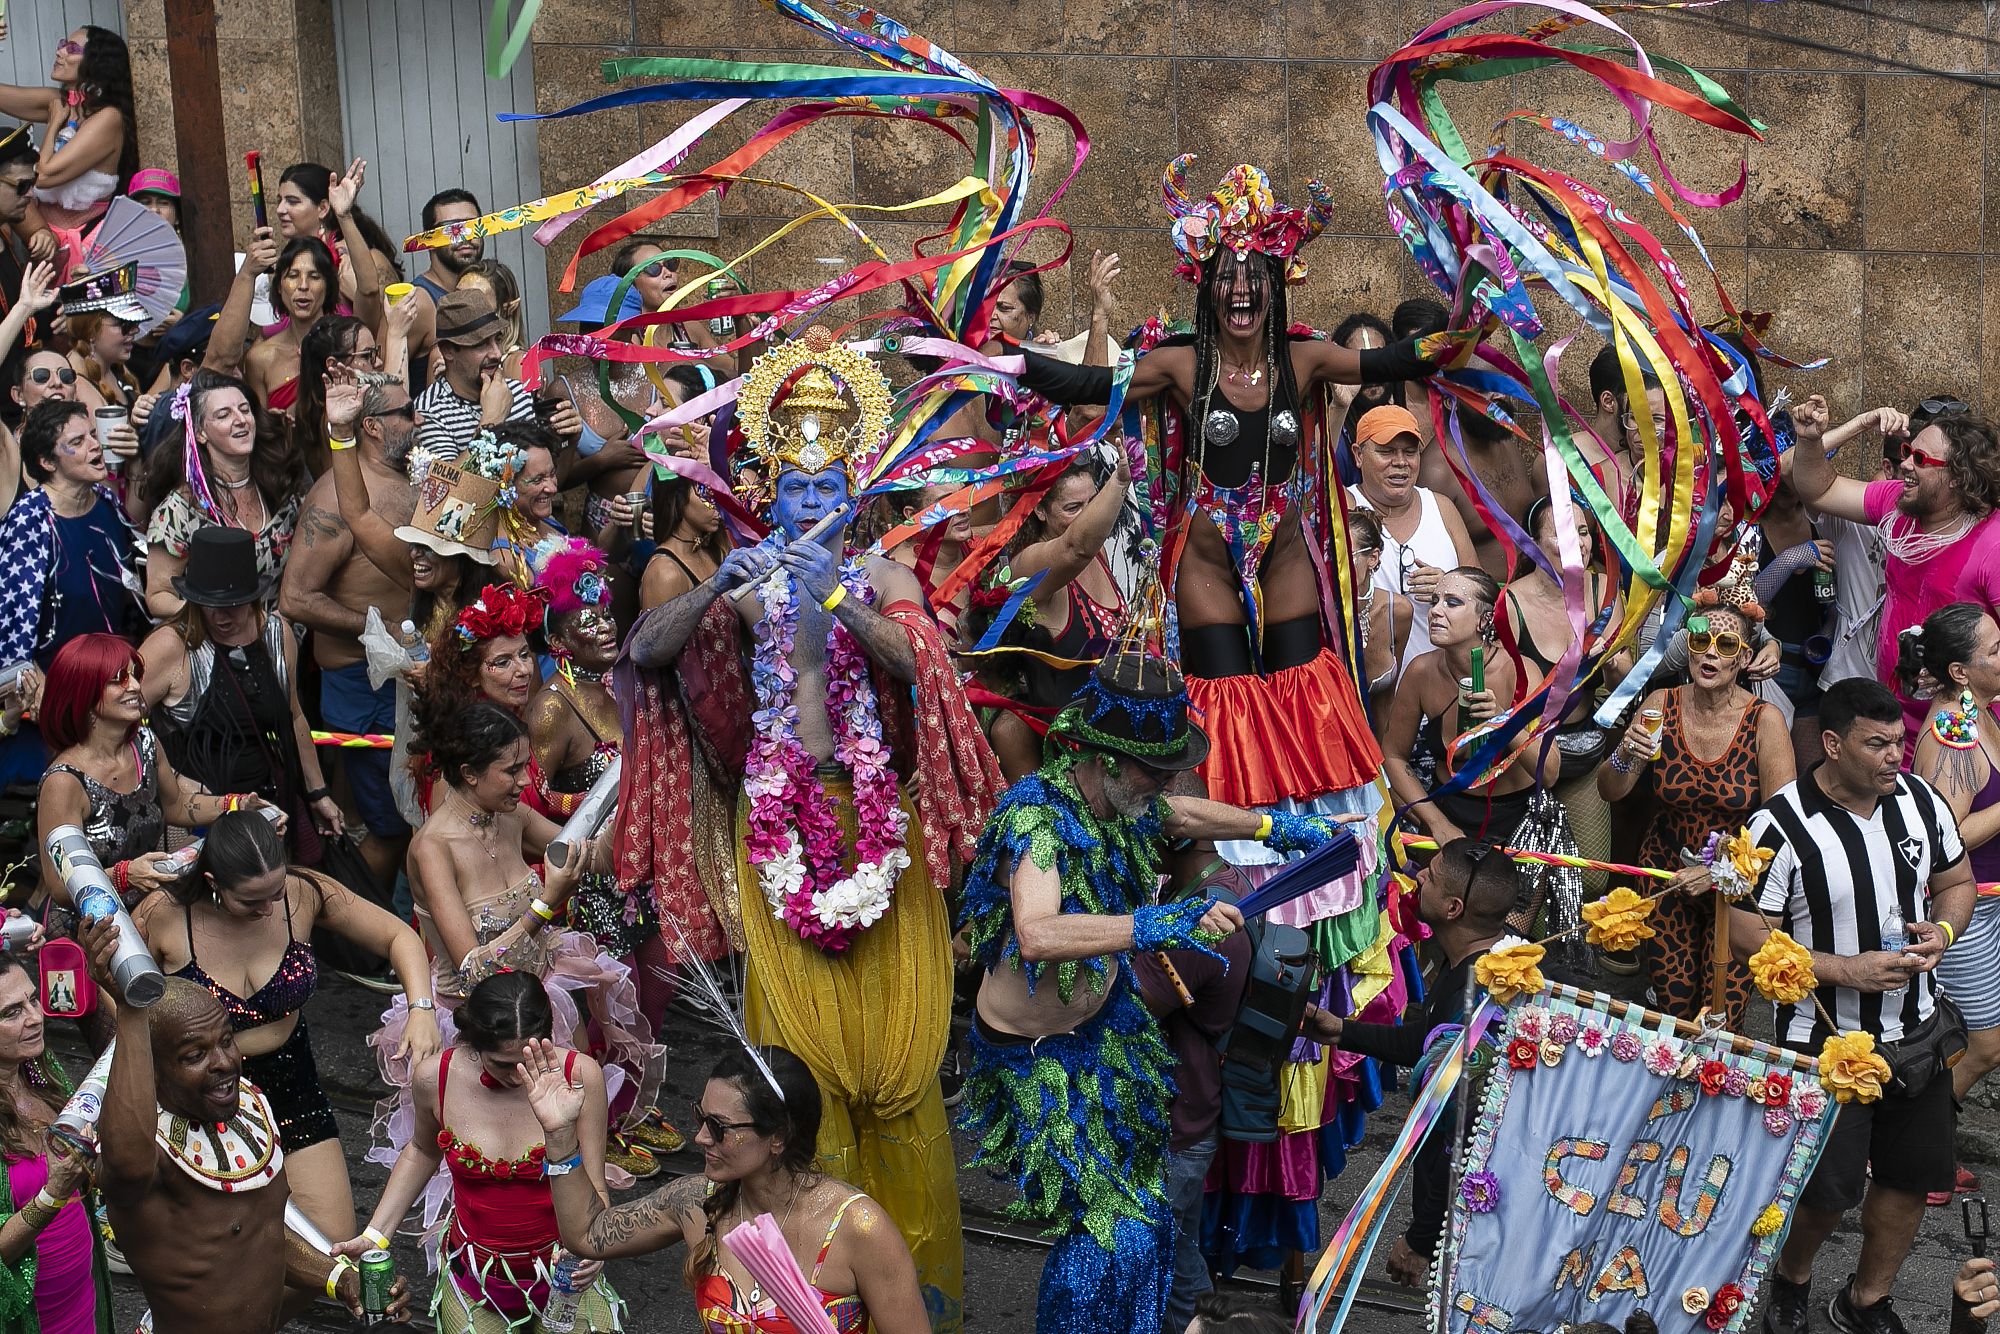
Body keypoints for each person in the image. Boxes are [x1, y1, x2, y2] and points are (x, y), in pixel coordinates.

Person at [620, 330, 1003, 1328]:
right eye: (792, 491)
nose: (807, 507)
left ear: (853, 493)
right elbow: (644, 647)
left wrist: (839, 589)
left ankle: (900, 1284)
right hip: (775, 827)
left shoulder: (880, 570)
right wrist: (713, 586)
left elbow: (919, 663)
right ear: (767, 489)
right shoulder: (739, 581)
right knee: (798, 1060)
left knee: (900, 1066)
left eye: (824, 490)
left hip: (879, 824)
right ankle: (794, 1282)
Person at [959, 647, 1352, 1334]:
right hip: (1034, 1060)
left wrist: (1273, 827)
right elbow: (1038, 935)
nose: (1164, 784)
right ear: (1105, 758)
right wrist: (1154, 924)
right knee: (1111, 1232)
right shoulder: (1038, 820)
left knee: (1150, 1221)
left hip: (1109, 1036)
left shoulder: (1126, 798)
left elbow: (1182, 814)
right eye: (1154, 770)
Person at [1733, 677, 1976, 1334]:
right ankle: (1793, 1280)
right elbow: (1744, 927)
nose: (1897, 754)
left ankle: (1866, 1300)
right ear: (1833, 744)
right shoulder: (1778, 824)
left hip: (1921, 1035)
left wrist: (1944, 931)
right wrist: (1844, 969)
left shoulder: (1920, 801)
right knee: (1823, 1191)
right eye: (1878, 744)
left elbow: (1957, 881)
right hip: (1823, 1042)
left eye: (1899, 740)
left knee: (1909, 1182)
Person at [376, 702, 664, 1184]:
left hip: (542, 1008)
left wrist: (623, 809)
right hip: (478, 1030)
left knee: (563, 1151)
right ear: (468, 773)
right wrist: (545, 904)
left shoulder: (509, 817)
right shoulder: (432, 848)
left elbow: (586, 857)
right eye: (510, 771)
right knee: (498, 1165)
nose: (524, 782)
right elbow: (473, 970)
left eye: (523, 768)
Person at [83, 918, 410, 1334]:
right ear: (153, 1072)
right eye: (193, 1055)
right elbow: (126, 1162)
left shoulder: (248, 1104)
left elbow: (260, 1234)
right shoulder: (148, 1155)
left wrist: (339, 1278)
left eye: (225, 1040)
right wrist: (130, 1012)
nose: (224, 1062)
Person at [139, 809, 439, 1239]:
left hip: (291, 1082)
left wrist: (421, 1009)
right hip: (198, 1095)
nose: (267, 908)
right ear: (213, 884)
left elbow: (399, 937)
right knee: (223, 1247)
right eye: (250, 900)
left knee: (328, 1243)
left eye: (274, 893)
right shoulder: (163, 916)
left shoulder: (301, 893)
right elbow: (116, 1000)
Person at [526, 1041, 931, 1334]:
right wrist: (561, 1136)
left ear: (778, 1137)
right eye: (700, 1117)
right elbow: (586, 1234)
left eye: (719, 1128)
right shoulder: (695, 1202)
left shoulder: (857, 1228)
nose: (700, 1137)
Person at [344, 971, 620, 1333]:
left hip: (565, 1278)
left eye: (530, 1058)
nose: (519, 1075)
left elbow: (596, 1184)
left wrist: (595, 1245)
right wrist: (375, 1235)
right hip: (477, 1279)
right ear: (473, 1045)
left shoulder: (580, 1076)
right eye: (503, 1064)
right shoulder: (434, 1077)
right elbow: (422, 1152)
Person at [1299, 838, 1518, 1291]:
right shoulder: (1485, 966)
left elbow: (1459, 1142)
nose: (1418, 877)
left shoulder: (1476, 1003)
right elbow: (1424, 1041)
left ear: (1454, 907)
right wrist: (1340, 1030)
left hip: (1465, 1225)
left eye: (1431, 877)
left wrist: (1422, 1240)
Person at [1597, 592, 1793, 1025]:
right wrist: (1626, 755)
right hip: (1668, 872)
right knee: (1675, 1005)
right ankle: (1673, 1090)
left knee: (1720, 1011)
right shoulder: (1660, 703)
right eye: (1701, 641)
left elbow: (1783, 826)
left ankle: (1715, 1089)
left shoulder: (1765, 720)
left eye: (1726, 647)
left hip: (1738, 883)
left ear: (1743, 659)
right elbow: (1611, 790)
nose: (1710, 654)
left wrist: (1720, 871)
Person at [35, 635, 283, 955]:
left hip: (149, 910)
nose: (136, 687)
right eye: (119, 680)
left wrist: (237, 805)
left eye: (135, 675)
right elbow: (59, 885)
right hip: (88, 930)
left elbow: (177, 805)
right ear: (83, 693)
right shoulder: (64, 782)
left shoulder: (144, 744)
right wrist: (127, 875)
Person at [1787, 393, 2000, 750]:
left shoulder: (1993, 543)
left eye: (1919, 458)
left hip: (1963, 740)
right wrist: (1810, 440)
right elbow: (1818, 489)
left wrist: (1961, 676)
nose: (1905, 465)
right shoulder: (1894, 503)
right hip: (1894, 729)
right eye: (1906, 454)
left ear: (1958, 478)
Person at [279, 364, 417, 878]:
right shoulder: (336, 498)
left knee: (412, 819)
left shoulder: (405, 474)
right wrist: (375, 631)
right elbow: (294, 598)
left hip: (408, 678)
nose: (418, 418)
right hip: (364, 685)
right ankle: (357, 938)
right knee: (388, 829)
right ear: (373, 426)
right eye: (406, 412)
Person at [140, 527, 342, 858]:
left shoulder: (277, 635)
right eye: (209, 604)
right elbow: (121, 725)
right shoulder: (170, 645)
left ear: (253, 597)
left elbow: (294, 716)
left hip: (265, 811)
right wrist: (171, 783)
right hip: (194, 820)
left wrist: (318, 792)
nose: (220, 616)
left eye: (233, 604)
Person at [1899, 602, 2000, 1205]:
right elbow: (1945, 839)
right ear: (1960, 672)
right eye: (1993, 650)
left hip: (1994, 903)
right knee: (1983, 1043)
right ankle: (1914, 1148)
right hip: (1964, 906)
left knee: (1966, 1038)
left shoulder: (1982, 712)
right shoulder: (1952, 732)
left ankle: (1927, 1142)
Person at [1132, 860, 1252, 1334]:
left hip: (1174, 1126)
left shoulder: (1206, 923)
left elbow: (1130, 1003)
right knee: (1180, 1255)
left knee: (1139, 1264)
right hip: (1192, 1113)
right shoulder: (1226, 878)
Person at [1498, 496, 1628, 898]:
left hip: (1584, 746)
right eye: (1565, 532)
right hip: (1528, 755)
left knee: (1588, 879)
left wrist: (1612, 661)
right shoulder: (1510, 603)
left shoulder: (1604, 589)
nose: (1580, 542)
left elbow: (1623, 682)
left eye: (1584, 531)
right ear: (1533, 544)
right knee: (1523, 886)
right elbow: (1501, 689)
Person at [974, 453, 1132, 781]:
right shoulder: (1030, 565)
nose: (1090, 517)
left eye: (1094, 502)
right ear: (1041, 511)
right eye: (1073, 508)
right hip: (1076, 761)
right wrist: (1119, 481)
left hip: (1125, 738)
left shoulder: (1097, 552)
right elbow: (1075, 548)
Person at [0, 949, 113, 1334]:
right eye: (11, 1013)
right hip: (31, 1318)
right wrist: (53, 1192)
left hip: (80, 1298)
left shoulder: (42, 1075)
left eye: (33, 999)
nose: (35, 1018)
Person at [139, 370, 307, 620]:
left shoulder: (279, 487)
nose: (241, 420)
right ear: (200, 433)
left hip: (283, 641)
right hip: (216, 646)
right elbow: (158, 596)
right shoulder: (180, 510)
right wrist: (219, 619)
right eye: (224, 414)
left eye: (244, 409)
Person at [0, 401, 142, 672]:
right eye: (78, 441)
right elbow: (15, 634)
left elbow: (129, 593)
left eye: (92, 434)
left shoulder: (106, 501)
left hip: (114, 676)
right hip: (54, 687)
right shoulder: (29, 520)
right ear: (47, 461)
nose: (95, 445)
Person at [1347, 402, 1476, 671]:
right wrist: (1339, 408)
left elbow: (1482, 593)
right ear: (1358, 455)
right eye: (1386, 452)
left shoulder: (1441, 507)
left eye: (1409, 452)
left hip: (1440, 688)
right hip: (1368, 689)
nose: (1400, 463)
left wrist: (1448, 586)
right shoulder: (1346, 504)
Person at [0, 27, 135, 273]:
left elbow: (42, 177)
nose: (60, 51)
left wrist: (52, 125)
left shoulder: (109, 117)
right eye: (63, 43)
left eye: (71, 48)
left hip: (86, 247)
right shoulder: (62, 102)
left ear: (96, 62)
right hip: (46, 246)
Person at [1756, 473, 1838, 766]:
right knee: (1771, 771)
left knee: (1812, 772)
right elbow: (1748, 600)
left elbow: (1840, 596)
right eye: (1778, 476)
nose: (1787, 484)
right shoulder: (1750, 530)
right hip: (1769, 671)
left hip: (1816, 668)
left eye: (1793, 474)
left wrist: (1829, 631)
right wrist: (1790, 560)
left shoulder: (1823, 522)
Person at [270, 160, 398, 322]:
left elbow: (397, 325)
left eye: (292, 201)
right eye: (279, 200)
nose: (280, 210)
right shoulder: (290, 260)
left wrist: (363, 295)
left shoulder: (364, 260)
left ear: (323, 208)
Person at [414, 289, 533, 461]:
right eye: (481, 344)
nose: (497, 353)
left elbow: (549, 481)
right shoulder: (430, 413)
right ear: (448, 351)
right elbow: (453, 487)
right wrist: (492, 421)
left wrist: (570, 444)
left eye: (497, 339)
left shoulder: (518, 392)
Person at [245, 239, 340, 415]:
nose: (303, 286)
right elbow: (260, 431)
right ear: (279, 287)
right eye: (293, 276)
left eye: (314, 276)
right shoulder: (260, 359)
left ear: (328, 287)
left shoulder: (346, 344)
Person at [1345, 509, 1413, 711]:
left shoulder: (1398, 611)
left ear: (1373, 558)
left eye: (1346, 555)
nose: (1335, 564)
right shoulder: (1320, 613)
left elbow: (1386, 702)